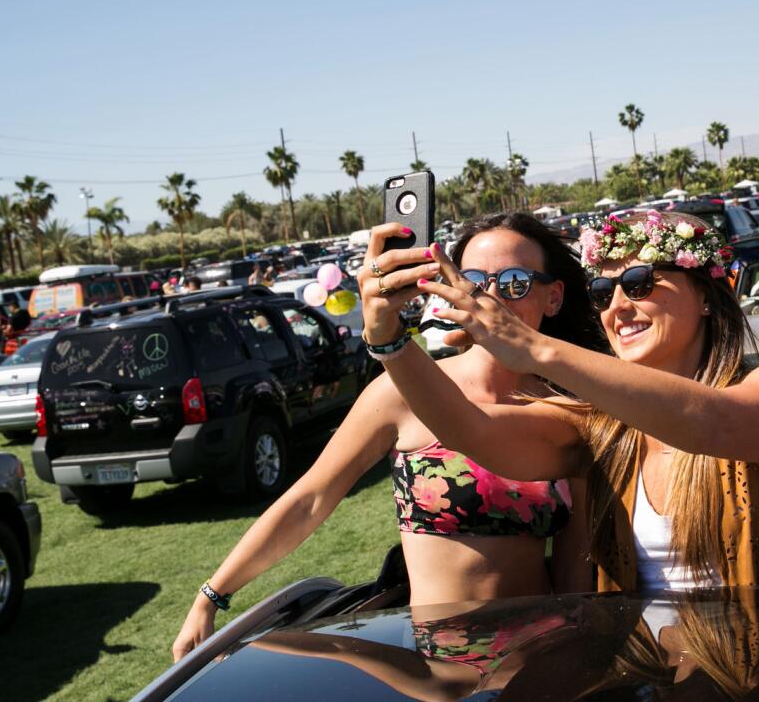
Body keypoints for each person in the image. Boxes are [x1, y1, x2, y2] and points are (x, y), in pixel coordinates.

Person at [171, 212, 608, 662]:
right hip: (439, 671)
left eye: (515, 282)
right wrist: (211, 597)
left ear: (553, 297)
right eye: (473, 281)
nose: (490, 298)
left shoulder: (570, 411)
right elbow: (310, 500)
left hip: (537, 662)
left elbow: (578, 567)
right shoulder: (402, 391)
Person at [358, 209, 759, 595]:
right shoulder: (598, 426)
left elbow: (715, 426)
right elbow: (469, 430)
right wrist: (389, 338)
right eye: (603, 292)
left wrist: (536, 348)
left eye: (640, 283)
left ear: (705, 295)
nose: (617, 306)